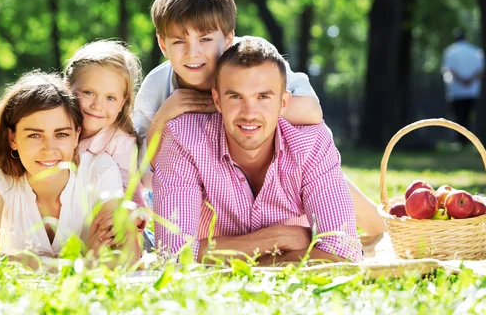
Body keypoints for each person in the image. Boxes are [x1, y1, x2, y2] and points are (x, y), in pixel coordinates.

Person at [134, 0, 385, 236]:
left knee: (373, 226)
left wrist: (225, 106)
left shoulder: (253, 59)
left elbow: (311, 112)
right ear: (163, 45)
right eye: (179, 42)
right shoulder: (157, 87)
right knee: (207, 238)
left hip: (270, 161)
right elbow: (145, 174)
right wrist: (163, 117)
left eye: (206, 38)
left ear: (229, 38)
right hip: (202, 182)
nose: (193, 53)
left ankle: (375, 226)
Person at [153, 37, 362, 263]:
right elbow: (172, 254)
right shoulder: (184, 139)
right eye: (235, 96)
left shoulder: (311, 143)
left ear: (284, 102)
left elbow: (344, 251)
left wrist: (232, 263)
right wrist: (278, 238)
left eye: (263, 97)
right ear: (217, 100)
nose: (249, 113)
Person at [0, 41, 151, 259]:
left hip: (113, 207)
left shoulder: (117, 143)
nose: (97, 105)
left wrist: (132, 212)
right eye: (88, 93)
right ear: (67, 88)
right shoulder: (46, 112)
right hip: (11, 209)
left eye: (62, 134)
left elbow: (131, 186)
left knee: (146, 243)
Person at [442, 28, 485, 144]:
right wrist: (469, 79)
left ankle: (461, 140)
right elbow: (480, 71)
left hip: (456, 91)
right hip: (472, 90)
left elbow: (449, 69)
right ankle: (469, 140)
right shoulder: (475, 51)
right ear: (466, 38)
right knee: (469, 115)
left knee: (458, 117)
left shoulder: (449, 51)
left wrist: (461, 80)